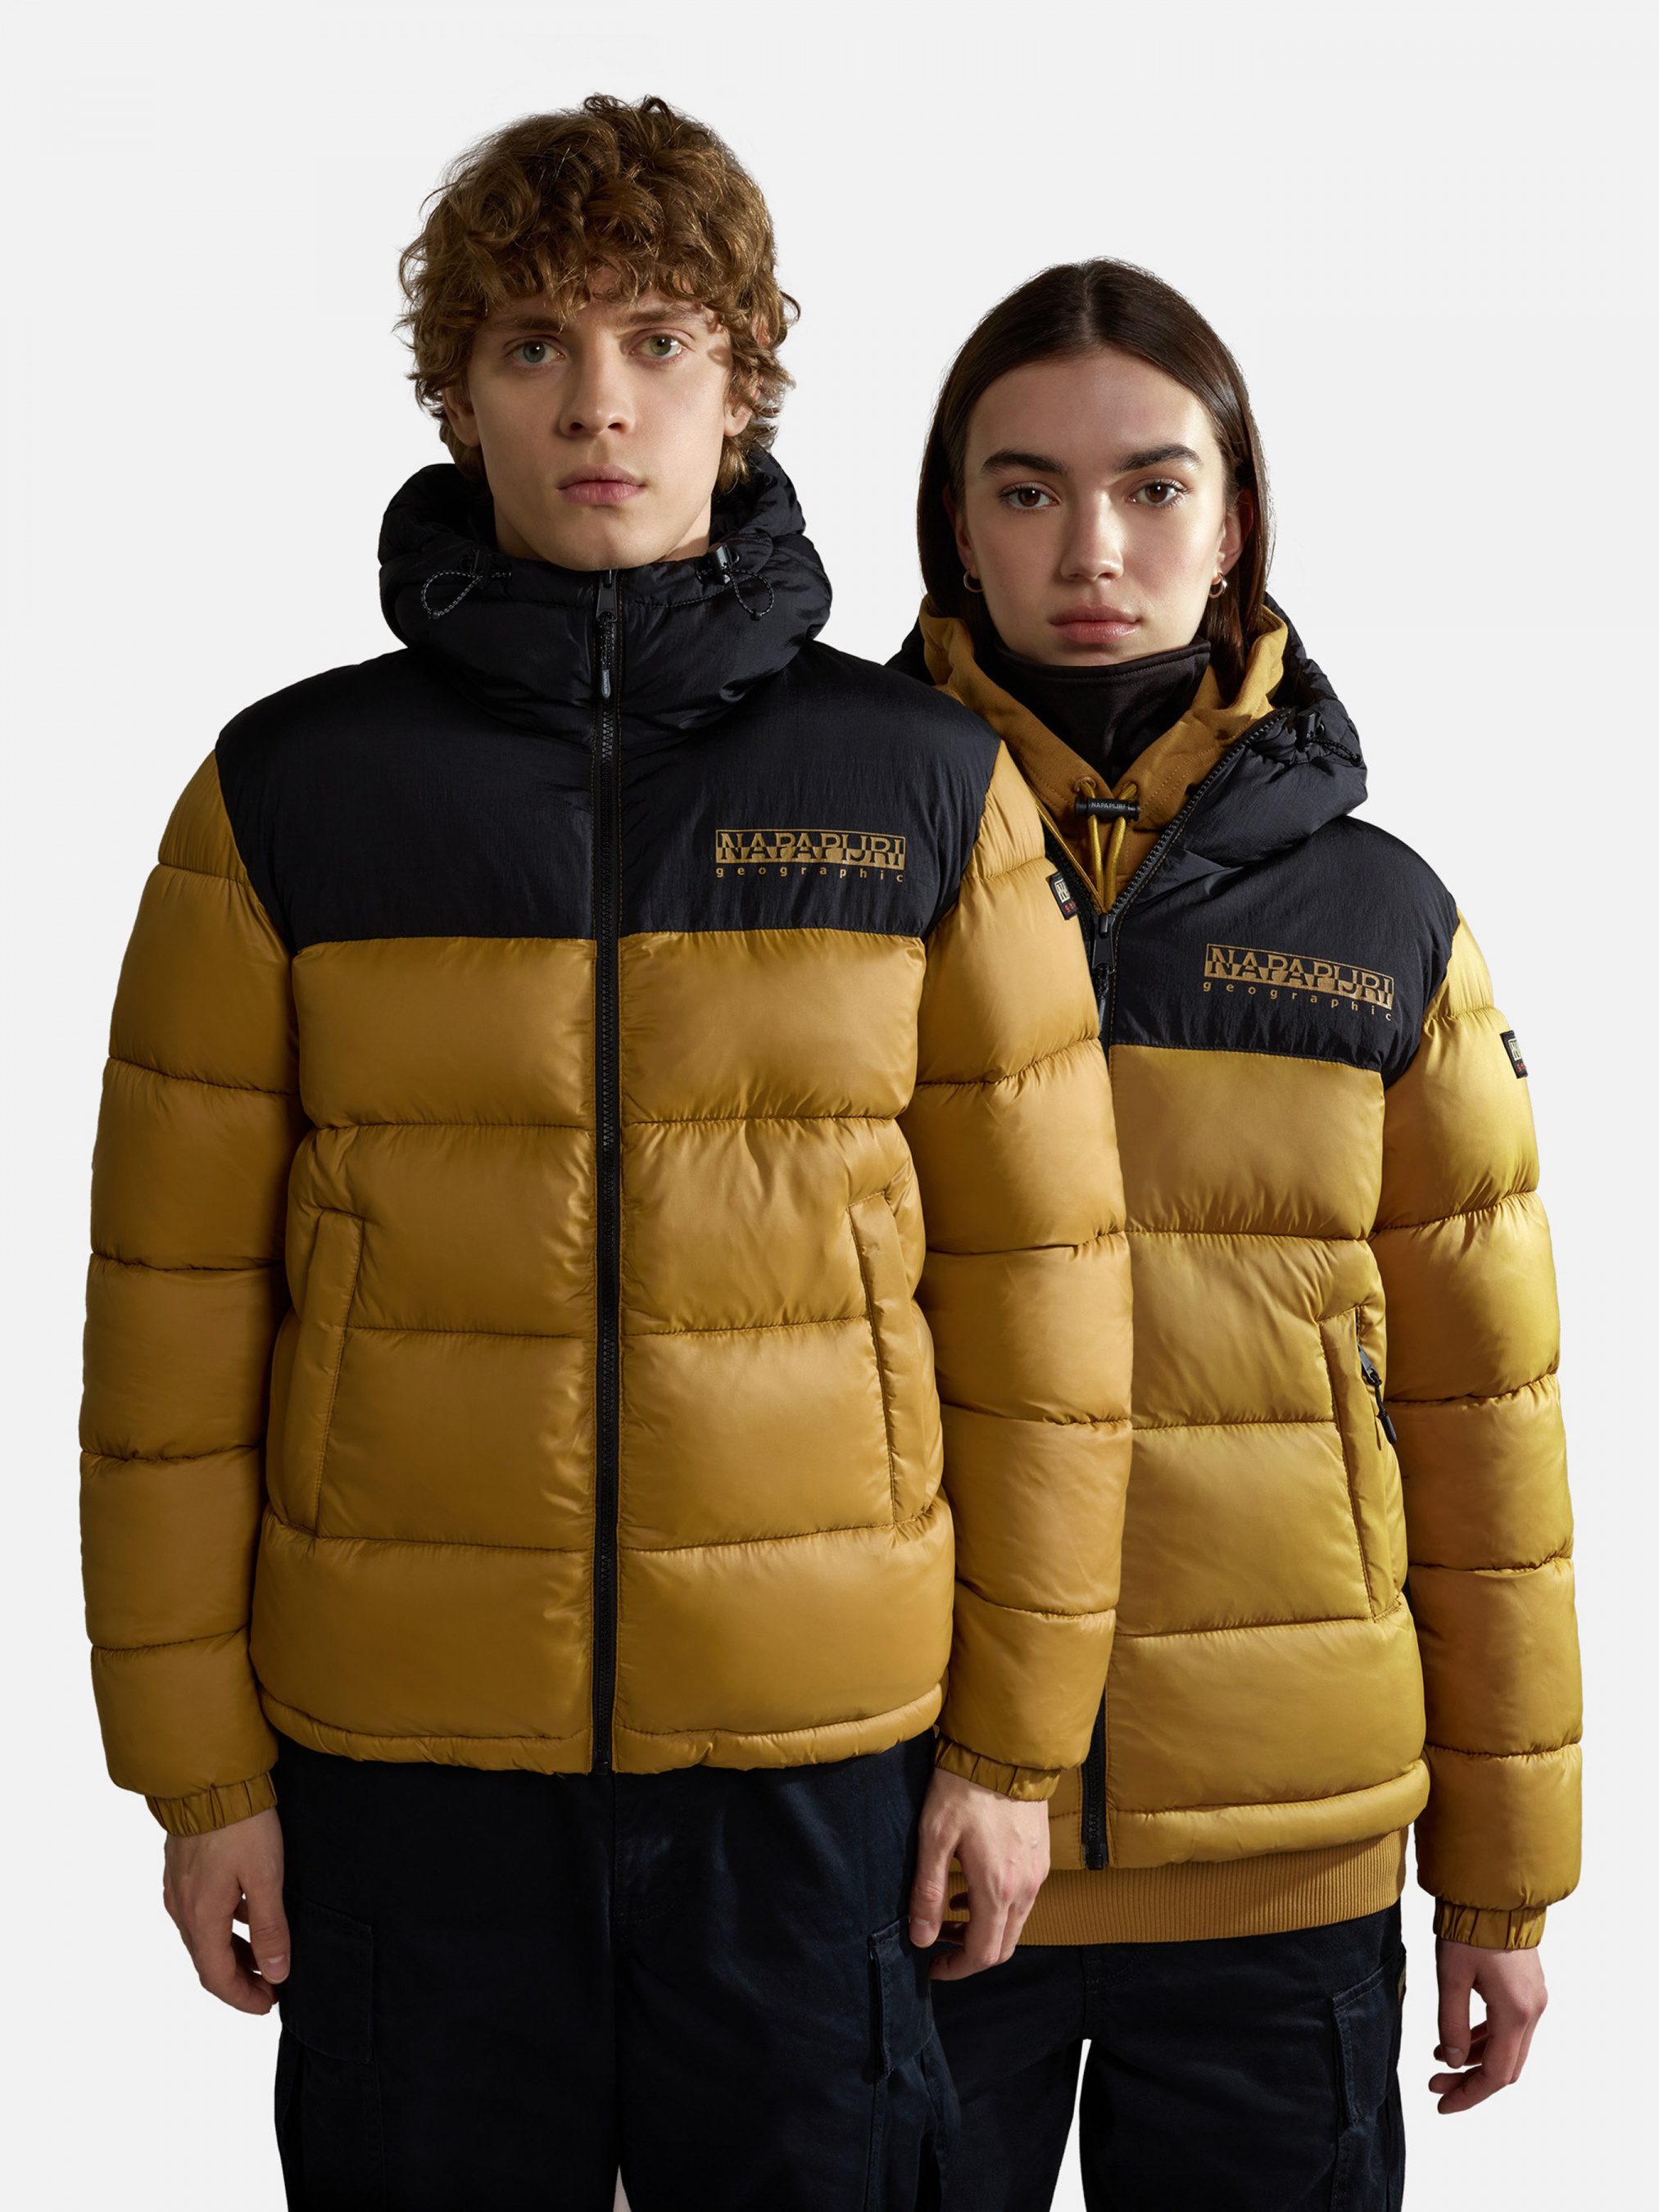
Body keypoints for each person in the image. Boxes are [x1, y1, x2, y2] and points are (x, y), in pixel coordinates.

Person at [79, 104, 1134, 2210]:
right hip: (406, 1771)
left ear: (742, 389)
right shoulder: (285, 796)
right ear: (458, 393)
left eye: (657, 341)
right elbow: (171, 1340)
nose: (596, 404)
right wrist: (198, 1781)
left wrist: (1015, 1754)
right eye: (534, 346)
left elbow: (1044, 1316)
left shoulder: (921, 788)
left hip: (815, 1772)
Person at [891, 259, 1580, 2211]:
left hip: (1285, 1874)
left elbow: (1481, 1428)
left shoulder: (1380, 921)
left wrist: (1500, 1880)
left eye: (1150, 487)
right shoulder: (840, 867)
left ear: (1233, 523)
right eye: (1024, 490)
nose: (1088, 549)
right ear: (954, 525)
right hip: (910, 1841)